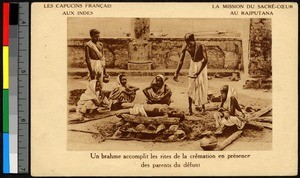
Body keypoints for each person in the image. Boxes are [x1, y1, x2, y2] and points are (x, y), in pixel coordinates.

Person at [173, 33, 208, 115]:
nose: (189, 45)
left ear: (194, 40)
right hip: (193, 65)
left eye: (190, 43)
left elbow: (205, 60)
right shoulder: (185, 46)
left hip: (201, 65)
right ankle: (189, 109)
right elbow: (181, 60)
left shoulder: (201, 46)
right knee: (190, 86)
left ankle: (203, 107)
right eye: (187, 43)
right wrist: (176, 73)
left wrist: (198, 72)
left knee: (202, 85)